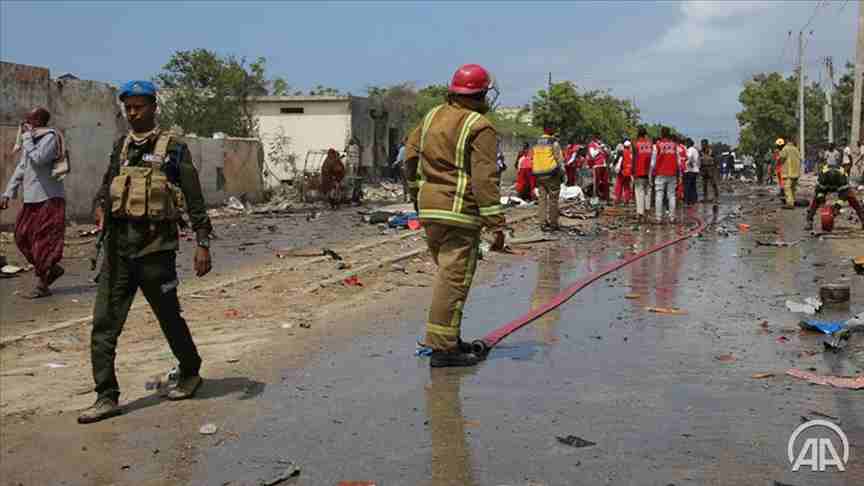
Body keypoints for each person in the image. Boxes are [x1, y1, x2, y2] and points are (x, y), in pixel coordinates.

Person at [78, 80, 213, 424]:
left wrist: (202, 244)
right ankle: (106, 396)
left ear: (153, 107)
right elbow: (107, 187)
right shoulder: (121, 147)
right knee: (104, 325)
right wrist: (99, 207)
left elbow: (194, 199)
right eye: (128, 107)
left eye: (139, 106)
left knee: (169, 317)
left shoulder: (174, 148)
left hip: (156, 251)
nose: (133, 112)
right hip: (119, 251)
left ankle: (190, 371)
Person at [404, 64, 505, 368]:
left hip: (430, 210)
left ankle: (448, 339)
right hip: (458, 213)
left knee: (448, 277)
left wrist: (416, 194)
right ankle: (443, 350)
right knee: (454, 281)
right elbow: (484, 179)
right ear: (481, 93)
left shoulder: (431, 116)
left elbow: (409, 159)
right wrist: (496, 223)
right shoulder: (479, 125)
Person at [1, 107, 67, 299]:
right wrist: (8, 192)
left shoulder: (50, 138)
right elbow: (23, 167)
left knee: (43, 242)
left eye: (30, 119)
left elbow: (39, 159)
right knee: (21, 236)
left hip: (49, 198)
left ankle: (42, 284)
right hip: (32, 198)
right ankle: (51, 269)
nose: (25, 122)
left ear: (39, 120)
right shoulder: (32, 139)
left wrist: (27, 138)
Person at [804, 146, 864, 231]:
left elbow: (844, 195)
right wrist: (822, 203)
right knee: (815, 201)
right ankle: (809, 221)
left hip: (841, 186)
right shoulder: (822, 176)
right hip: (826, 186)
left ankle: (863, 219)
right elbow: (819, 191)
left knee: (852, 199)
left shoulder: (842, 176)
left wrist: (837, 207)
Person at [532, 127, 564, 231]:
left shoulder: (536, 142)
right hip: (551, 174)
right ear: (551, 131)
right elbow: (559, 159)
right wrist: (563, 173)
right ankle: (553, 224)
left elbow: (534, 157)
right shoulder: (553, 142)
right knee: (553, 199)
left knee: (542, 199)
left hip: (539, 174)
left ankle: (542, 223)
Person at [651, 127, 679, 224]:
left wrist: (651, 173)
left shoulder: (657, 145)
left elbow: (653, 163)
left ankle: (658, 218)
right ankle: (672, 218)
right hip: (672, 173)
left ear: (661, 134)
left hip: (660, 173)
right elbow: (678, 162)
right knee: (671, 195)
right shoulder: (674, 145)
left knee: (659, 194)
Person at [632, 127, 653, 223]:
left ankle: (640, 214)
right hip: (649, 171)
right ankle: (647, 211)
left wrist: (633, 171)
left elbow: (634, 159)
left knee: (639, 192)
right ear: (645, 134)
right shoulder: (650, 143)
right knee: (647, 192)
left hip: (639, 171)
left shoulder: (635, 143)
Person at [778, 136, 802, 209]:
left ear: (787, 140)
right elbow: (800, 159)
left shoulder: (785, 148)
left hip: (789, 172)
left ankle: (790, 203)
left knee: (787, 188)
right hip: (796, 172)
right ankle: (793, 201)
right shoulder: (796, 149)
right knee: (793, 188)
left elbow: (781, 158)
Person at [613, 139, 633, 205]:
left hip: (622, 171)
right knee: (627, 186)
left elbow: (618, 161)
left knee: (619, 185)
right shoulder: (631, 153)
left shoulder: (622, 152)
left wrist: (615, 168)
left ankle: (617, 199)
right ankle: (627, 200)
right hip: (629, 171)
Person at [683, 138, 700, 205]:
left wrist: (685, 163)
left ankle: (687, 201)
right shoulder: (695, 150)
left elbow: (688, 158)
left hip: (690, 170)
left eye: (686, 143)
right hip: (695, 170)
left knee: (687, 186)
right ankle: (694, 200)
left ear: (688, 143)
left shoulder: (690, 150)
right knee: (693, 186)